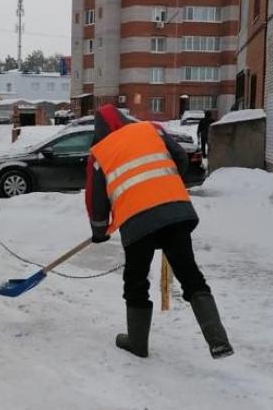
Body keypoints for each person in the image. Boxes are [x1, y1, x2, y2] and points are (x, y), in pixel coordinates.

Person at [85, 104, 233, 360]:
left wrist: (99, 230)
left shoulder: (100, 153)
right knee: (189, 273)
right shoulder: (151, 129)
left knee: (136, 279)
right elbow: (181, 157)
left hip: (137, 220)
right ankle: (218, 340)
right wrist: (166, 184)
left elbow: (96, 199)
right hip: (175, 212)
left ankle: (137, 342)